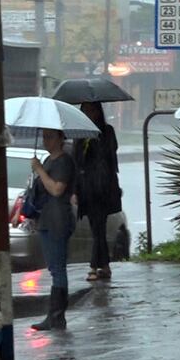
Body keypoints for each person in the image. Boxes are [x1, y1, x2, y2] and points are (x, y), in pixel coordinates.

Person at [14, 128, 75, 331]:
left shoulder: (64, 162)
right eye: (44, 136)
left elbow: (57, 189)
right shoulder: (49, 160)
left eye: (50, 136)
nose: (45, 140)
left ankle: (57, 316)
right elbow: (36, 192)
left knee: (58, 268)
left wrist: (39, 169)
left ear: (60, 138)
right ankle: (54, 315)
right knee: (54, 267)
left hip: (58, 219)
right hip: (46, 220)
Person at [74, 101, 122, 282]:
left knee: (99, 227)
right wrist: (75, 190)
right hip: (86, 188)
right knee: (96, 228)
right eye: (85, 110)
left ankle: (94, 266)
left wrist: (96, 138)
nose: (88, 113)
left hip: (103, 188)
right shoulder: (79, 134)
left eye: (91, 110)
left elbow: (110, 155)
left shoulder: (107, 131)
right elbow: (77, 162)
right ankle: (105, 265)